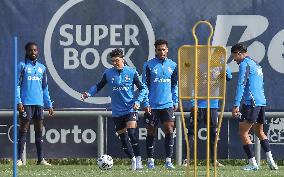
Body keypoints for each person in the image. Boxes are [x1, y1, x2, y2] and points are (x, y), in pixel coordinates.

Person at [81, 48, 146, 171]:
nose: (114, 63)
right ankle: (132, 159)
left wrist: (138, 101)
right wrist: (88, 93)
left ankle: (138, 159)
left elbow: (143, 89)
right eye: (112, 61)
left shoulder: (132, 72)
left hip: (130, 108)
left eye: (117, 60)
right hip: (117, 111)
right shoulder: (108, 73)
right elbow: (98, 86)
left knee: (132, 133)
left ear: (123, 59)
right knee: (123, 138)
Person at [231, 43, 278, 171]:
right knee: (259, 132)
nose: (234, 59)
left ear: (239, 53)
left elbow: (241, 84)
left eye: (234, 56)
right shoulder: (256, 65)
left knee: (243, 132)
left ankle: (253, 163)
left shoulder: (244, 64)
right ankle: (271, 161)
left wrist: (236, 104)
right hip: (261, 102)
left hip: (251, 102)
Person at [183, 66, 232, 167]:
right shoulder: (198, 64)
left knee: (213, 133)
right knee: (191, 132)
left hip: (213, 105)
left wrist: (224, 68)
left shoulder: (220, 66)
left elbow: (229, 77)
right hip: (199, 105)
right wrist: (193, 103)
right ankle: (186, 159)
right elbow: (191, 86)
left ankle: (214, 160)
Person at [16, 42, 54, 166]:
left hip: (39, 103)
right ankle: (19, 159)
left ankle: (40, 159)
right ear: (26, 51)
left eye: (35, 50)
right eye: (30, 50)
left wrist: (48, 104)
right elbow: (17, 85)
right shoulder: (21, 66)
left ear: (38, 52)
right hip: (26, 103)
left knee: (39, 131)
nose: (33, 52)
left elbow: (45, 87)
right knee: (23, 130)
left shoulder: (42, 67)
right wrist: (18, 101)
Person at [142, 39, 178, 169]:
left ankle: (168, 160)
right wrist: (146, 102)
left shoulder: (173, 65)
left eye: (164, 49)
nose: (162, 52)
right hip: (152, 105)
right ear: (155, 51)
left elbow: (175, 85)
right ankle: (150, 160)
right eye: (159, 50)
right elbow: (144, 86)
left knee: (169, 129)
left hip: (167, 104)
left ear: (167, 50)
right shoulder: (148, 65)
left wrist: (175, 100)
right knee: (151, 131)